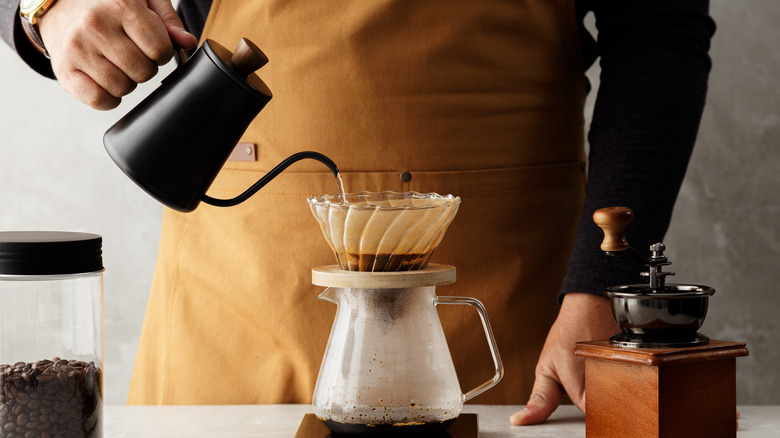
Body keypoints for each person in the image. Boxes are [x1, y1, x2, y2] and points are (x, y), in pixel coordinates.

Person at [0, 0, 715, 425]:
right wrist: (47, 10)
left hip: (507, 348)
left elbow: (660, 29)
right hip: (232, 330)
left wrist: (603, 282)